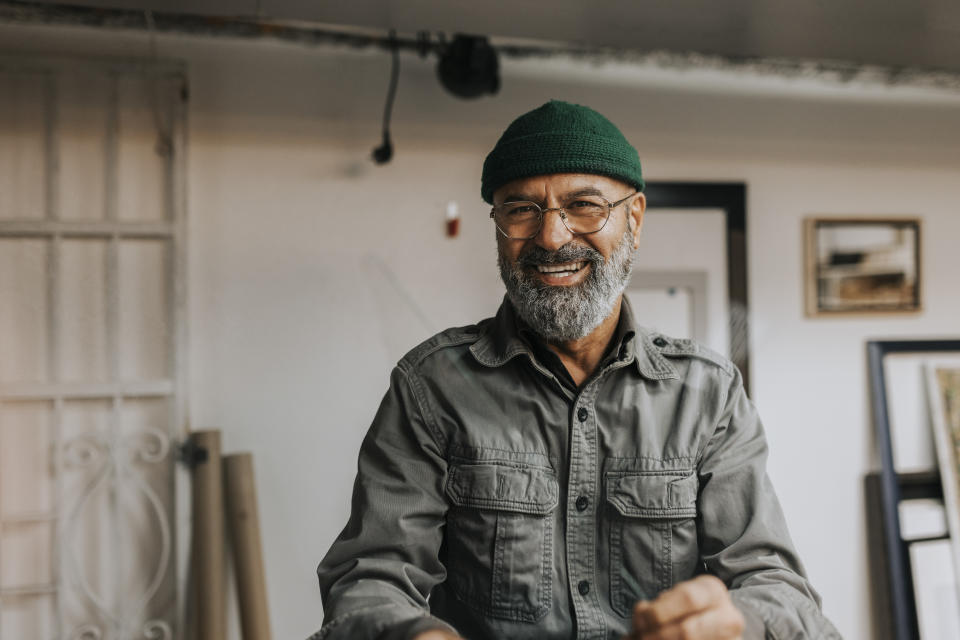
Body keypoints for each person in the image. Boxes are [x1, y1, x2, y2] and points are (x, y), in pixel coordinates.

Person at [313, 100, 840, 640]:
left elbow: (779, 589)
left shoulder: (709, 394)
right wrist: (412, 634)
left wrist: (738, 620)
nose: (551, 237)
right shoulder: (430, 388)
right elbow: (367, 579)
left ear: (633, 219)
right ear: (497, 227)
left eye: (584, 206)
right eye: (520, 209)